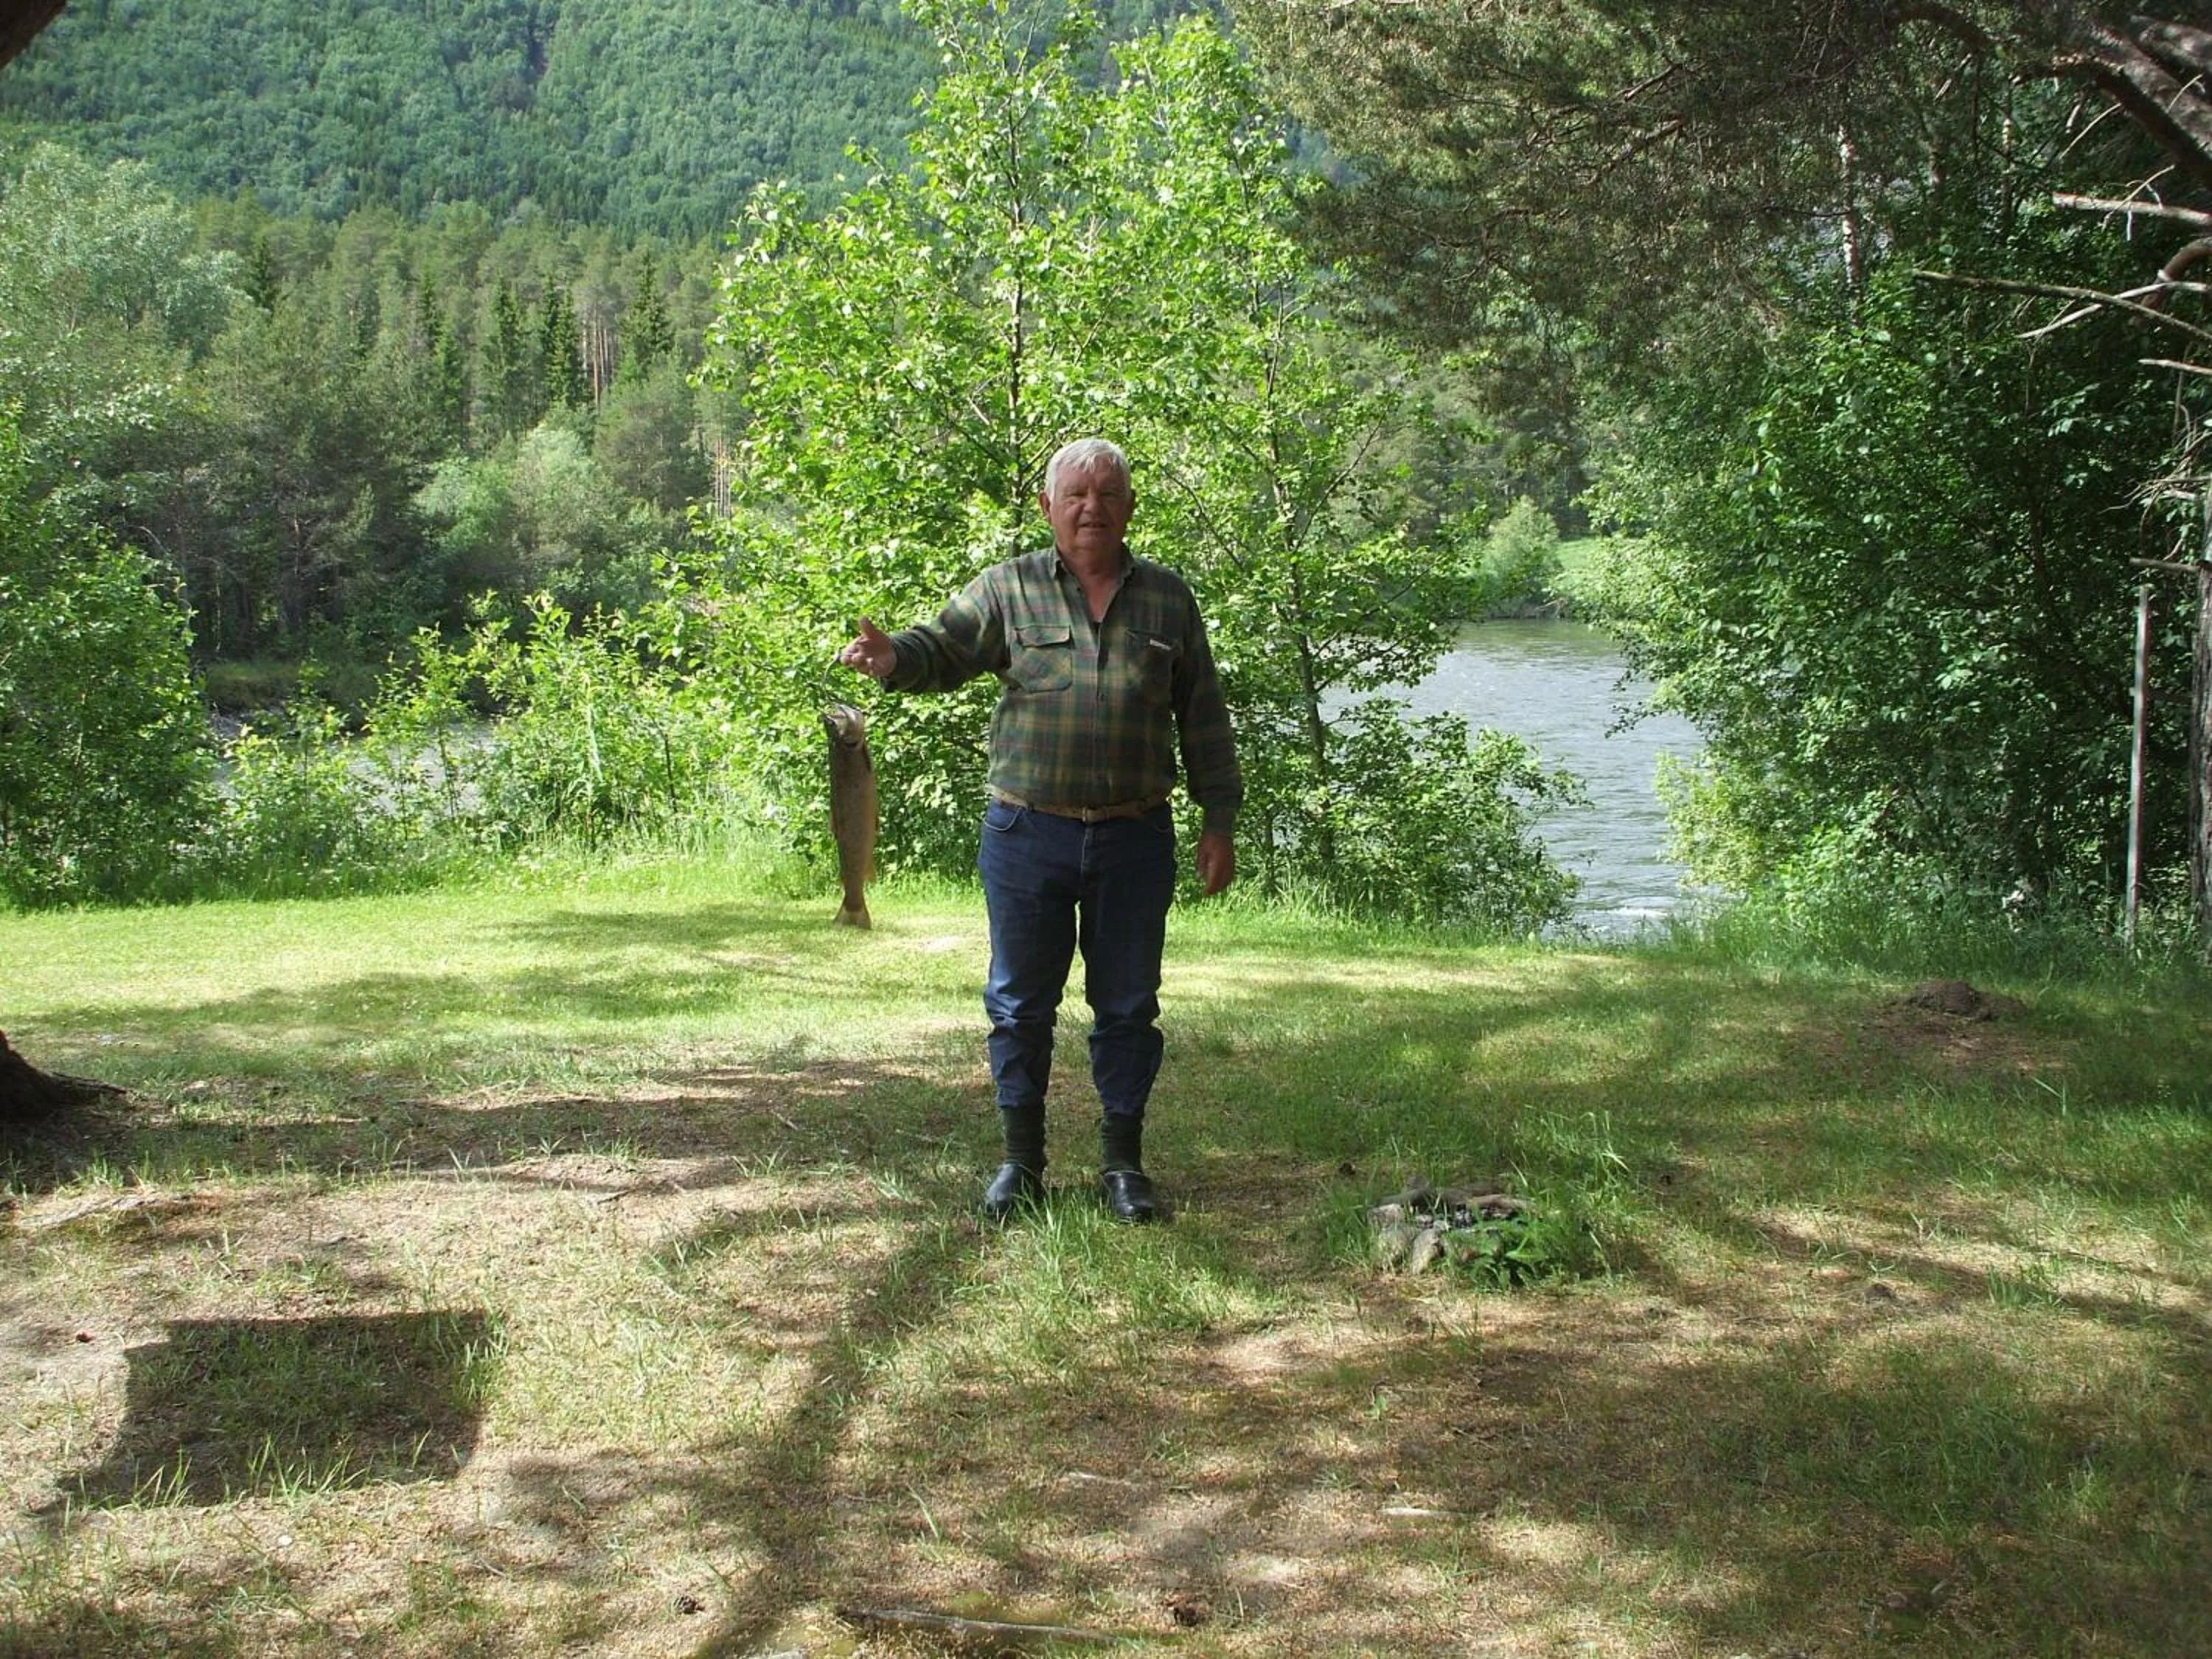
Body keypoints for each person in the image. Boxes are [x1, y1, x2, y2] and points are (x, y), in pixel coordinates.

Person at [837, 437, 1241, 1223]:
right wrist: (892, 658)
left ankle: (1123, 1166)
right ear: (1048, 506)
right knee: (1019, 1006)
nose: (1092, 508)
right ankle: (1020, 1164)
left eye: (1108, 494)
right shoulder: (1009, 588)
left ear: (1130, 507)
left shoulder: (1168, 599)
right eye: (1076, 495)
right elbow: (941, 648)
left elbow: (1204, 717)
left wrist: (1218, 817)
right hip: (1027, 834)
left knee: (1128, 1006)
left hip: (1135, 839)